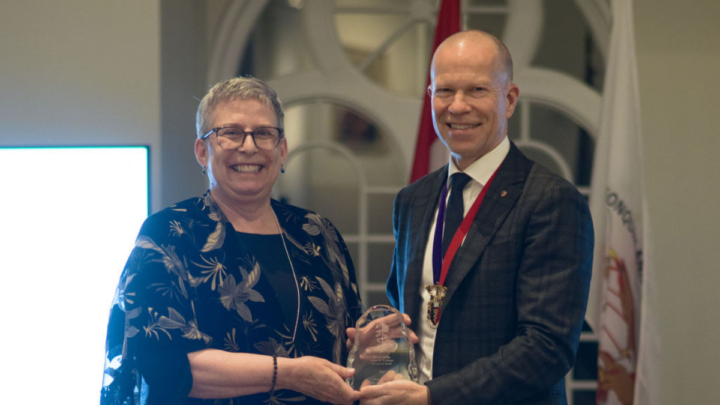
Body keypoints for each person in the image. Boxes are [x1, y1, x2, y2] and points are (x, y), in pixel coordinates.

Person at [361, 30, 594, 405]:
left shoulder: (551, 200)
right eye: (445, 90)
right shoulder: (413, 200)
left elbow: (546, 347)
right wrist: (383, 341)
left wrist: (432, 397)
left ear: (510, 100)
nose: (457, 106)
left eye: (477, 90)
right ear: (431, 97)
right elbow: (412, 314)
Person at [101, 77, 364, 405]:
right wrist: (291, 373)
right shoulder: (168, 234)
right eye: (231, 133)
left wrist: (375, 345)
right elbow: (163, 364)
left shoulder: (317, 233)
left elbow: (350, 336)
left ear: (282, 151)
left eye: (264, 133)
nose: (249, 146)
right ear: (202, 150)